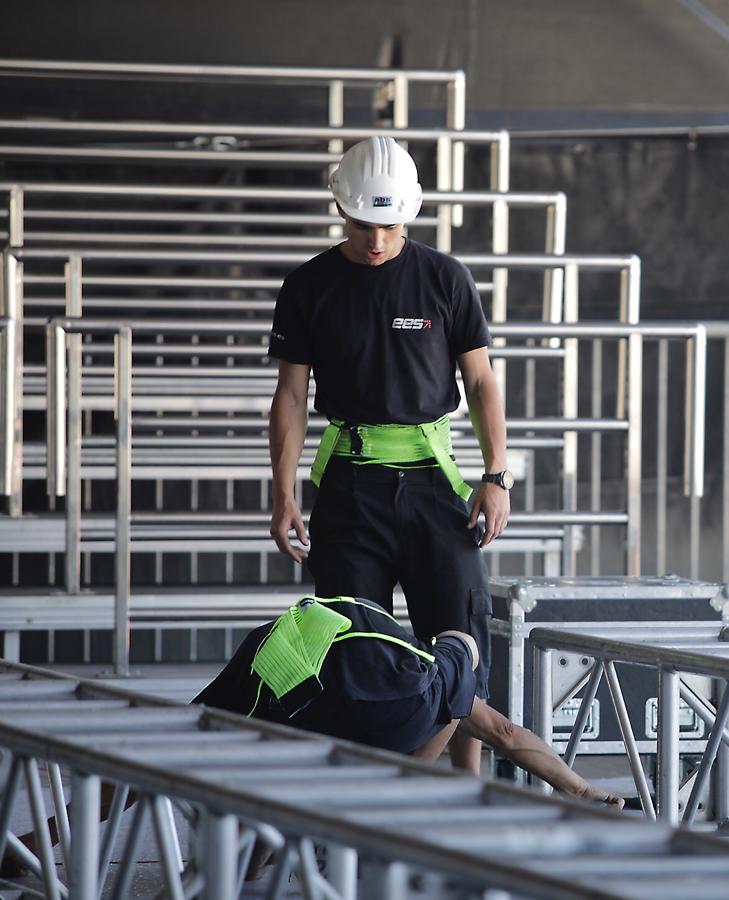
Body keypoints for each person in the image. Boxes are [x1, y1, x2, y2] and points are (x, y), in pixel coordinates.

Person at [267, 135, 512, 775]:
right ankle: (353, 807)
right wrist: (285, 493)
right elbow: (291, 393)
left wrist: (497, 476)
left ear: (409, 214)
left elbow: (483, 382)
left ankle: (464, 802)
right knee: (350, 652)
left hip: (436, 489)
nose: (376, 238)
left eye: (389, 223)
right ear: (341, 210)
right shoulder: (309, 286)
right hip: (349, 491)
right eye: (361, 223)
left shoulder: (444, 279)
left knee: (462, 644)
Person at [194, 595, 621, 808]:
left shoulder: (269, 648)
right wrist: (580, 788)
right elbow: (504, 734)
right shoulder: (433, 672)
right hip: (373, 705)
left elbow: (183, 727)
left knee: (278, 797)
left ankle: (261, 857)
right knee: (449, 713)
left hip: (294, 700)